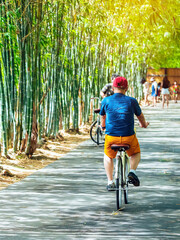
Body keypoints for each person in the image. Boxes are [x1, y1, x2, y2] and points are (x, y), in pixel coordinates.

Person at [100, 76, 149, 191]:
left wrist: (103, 127)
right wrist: (144, 124)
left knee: (108, 156)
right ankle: (132, 172)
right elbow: (140, 116)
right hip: (128, 137)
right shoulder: (132, 101)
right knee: (136, 153)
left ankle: (110, 181)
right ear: (126, 88)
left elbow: (102, 116)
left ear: (113, 87)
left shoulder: (106, 100)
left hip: (111, 137)